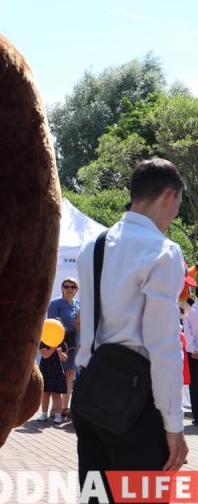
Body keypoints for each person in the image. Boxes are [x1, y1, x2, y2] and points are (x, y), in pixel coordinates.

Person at [74, 158, 189, 489]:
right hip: (135, 406)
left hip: (90, 394)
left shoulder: (91, 247)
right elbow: (164, 346)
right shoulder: (163, 253)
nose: (175, 213)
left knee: (94, 497)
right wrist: (174, 426)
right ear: (169, 195)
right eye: (178, 203)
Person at [47, 277, 80, 418]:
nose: (69, 289)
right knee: (57, 375)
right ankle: (55, 408)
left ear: (76, 290)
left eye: (72, 287)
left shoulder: (79, 304)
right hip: (59, 343)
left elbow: (80, 324)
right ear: (62, 288)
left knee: (70, 374)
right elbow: (52, 324)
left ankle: (65, 408)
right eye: (66, 286)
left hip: (74, 343)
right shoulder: (55, 303)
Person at [37, 341, 68, 423]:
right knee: (45, 393)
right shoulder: (44, 342)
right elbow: (45, 355)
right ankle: (44, 414)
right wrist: (53, 348)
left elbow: (65, 359)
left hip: (57, 371)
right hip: (46, 370)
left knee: (56, 394)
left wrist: (60, 353)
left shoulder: (62, 344)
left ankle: (58, 415)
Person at [183, 297, 198, 424]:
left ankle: (197, 416)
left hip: (192, 354)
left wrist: (195, 349)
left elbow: (187, 333)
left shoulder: (189, 310)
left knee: (194, 385)